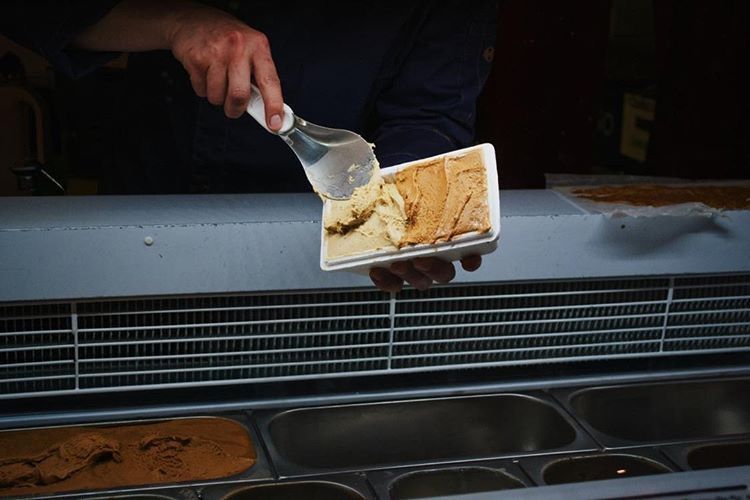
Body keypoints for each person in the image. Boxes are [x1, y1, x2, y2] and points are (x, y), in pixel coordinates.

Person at [1, 0, 497, 292]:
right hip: (146, 229)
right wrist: (175, 20)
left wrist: (409, 219)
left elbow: (428, 112)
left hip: (315, 254)